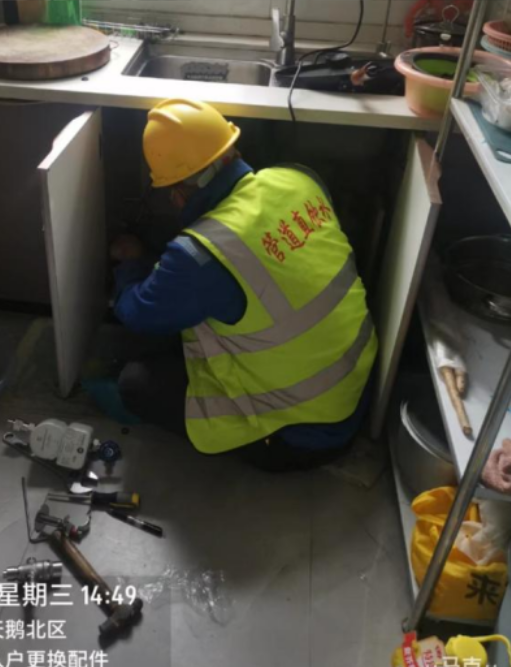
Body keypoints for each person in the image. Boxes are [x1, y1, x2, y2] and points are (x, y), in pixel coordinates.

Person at [111, 99, 377, 471]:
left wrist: (130, 265)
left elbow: (138, 314)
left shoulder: (200, 255)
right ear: (231, 149)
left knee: (136, 383)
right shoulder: (298, 179)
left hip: (300, 435)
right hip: (356, 393)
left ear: (176, 193)